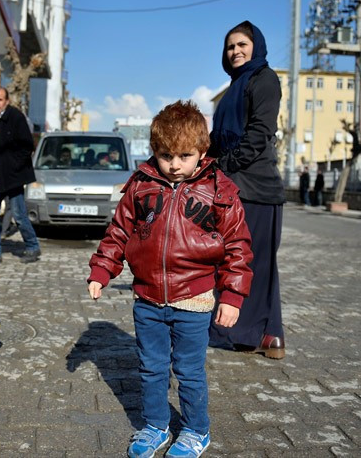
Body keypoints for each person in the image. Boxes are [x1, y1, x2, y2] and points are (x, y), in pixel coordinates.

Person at [87, 101, 252, 458]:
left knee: (189, 370)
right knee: (151, 367)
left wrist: (232, 297)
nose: (174, 164)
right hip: (147, 299)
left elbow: (238, 247)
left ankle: (195, 430)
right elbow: (119, 232)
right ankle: (155, 425)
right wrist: (102, 270)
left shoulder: (219, 191)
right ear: (153, 152)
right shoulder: (141, 186)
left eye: (184, 155)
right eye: (165, 155)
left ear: (202, 152)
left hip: (194, 299)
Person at [206, 20, 286, 359]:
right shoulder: (233, 87)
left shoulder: (264, 79)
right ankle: (271, 335)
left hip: (256, 187)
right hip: (235, 185)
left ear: (256, 46)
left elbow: (258, 135)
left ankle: (244, 332)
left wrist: (220, 165)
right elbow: (214, 141)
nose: (236, 51)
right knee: (251, 261)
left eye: (242, 44)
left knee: (251, 262)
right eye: (230, 47)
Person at [0, 86, 41, 265]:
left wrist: (14, 166)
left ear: (7, 100)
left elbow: (27, 146)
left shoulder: (16, 117)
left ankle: (33, 246)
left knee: (19, 214)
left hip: (13, 175)